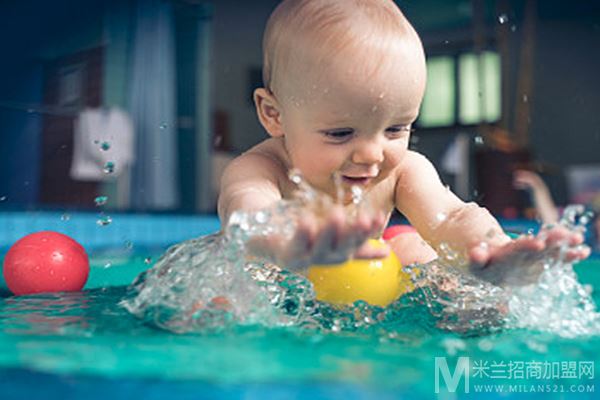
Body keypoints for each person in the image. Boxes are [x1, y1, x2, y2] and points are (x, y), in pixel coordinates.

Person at [218, 0, 589, 287]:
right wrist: (288, 242)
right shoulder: (259, 170)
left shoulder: (403, 170)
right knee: (221, 296)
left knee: (414, 250)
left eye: (396, 129)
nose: (373, 154)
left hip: (366, 279)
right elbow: (248, 216)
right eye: (340, 133)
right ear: (274, 114)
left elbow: (452, 217)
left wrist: (492, 248)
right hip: (283, 283)